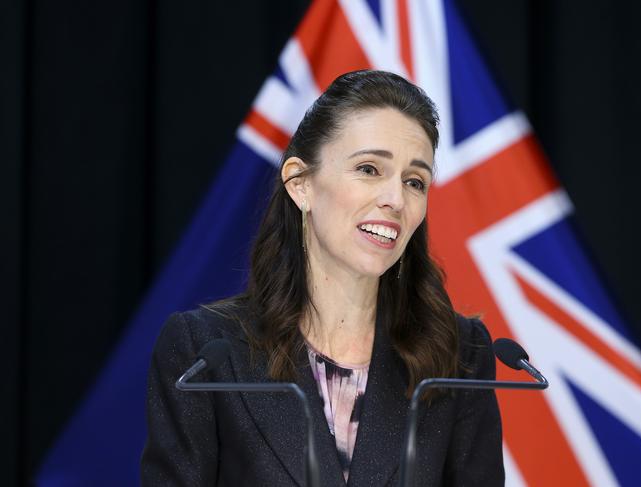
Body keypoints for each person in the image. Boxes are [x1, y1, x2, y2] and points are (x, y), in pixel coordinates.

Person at [141, 70, 504, 486]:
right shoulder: (203, 351)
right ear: (300, 184)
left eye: (414, 181)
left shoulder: (462, 357)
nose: (395, 199)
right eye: (369, 169)